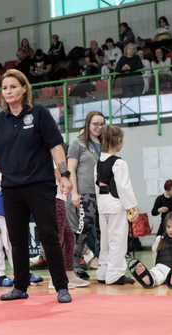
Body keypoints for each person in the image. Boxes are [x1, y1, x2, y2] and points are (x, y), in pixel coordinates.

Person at [0, 68, 74, 303]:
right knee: (17, 239)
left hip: (40, 185)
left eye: (13, 86)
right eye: (4, 88)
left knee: (48, 234)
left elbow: (55, 146)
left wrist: (64, 174)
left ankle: (61, 286)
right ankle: (20, 286)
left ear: (24, 89)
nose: (8, 91)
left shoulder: (39, 114)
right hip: (11, 187)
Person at [94, 125, 138, 285]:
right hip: (116, 204)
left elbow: (96, 185)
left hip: (103, 204)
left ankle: (103, 272)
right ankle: (115, 274)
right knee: (118, 240)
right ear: (118, 141)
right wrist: (132, 207)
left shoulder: (98, 162)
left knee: (105, 240)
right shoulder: (119, 163)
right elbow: (124, 187)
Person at [67, 111, 103, 280]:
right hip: (84, 193)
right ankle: (74, 266)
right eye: (95, 124)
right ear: (88, 124)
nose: (99, 127)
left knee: (100, 230)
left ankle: (103, 263)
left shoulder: (104, 144)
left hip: (102, 194)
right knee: (82, 230)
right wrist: (74, 192)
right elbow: (71, 170)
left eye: (102, 124)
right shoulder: (78, 144)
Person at [129, 211, 172, 288]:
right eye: (168, 227)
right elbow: (155, 257)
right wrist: (156, 268)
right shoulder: (159, 239)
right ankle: (149, 279)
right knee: (155, 274)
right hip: (161, 268)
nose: (170, 230)